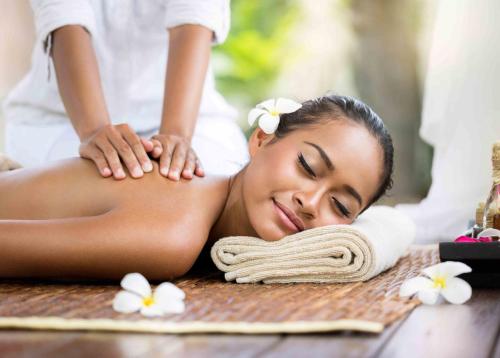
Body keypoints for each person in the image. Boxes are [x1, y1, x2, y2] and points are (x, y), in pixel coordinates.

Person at [0, 94, 394, 282]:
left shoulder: (202, 214)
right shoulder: (173, 237)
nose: (309, 202)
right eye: (307, 166)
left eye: (340, 207)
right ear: (260, 140)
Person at [2, 0, 249, 181]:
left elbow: (192, 21)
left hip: (193, 121)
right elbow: (65, 18)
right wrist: (94, 131)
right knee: (89, 191)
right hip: (61, 120)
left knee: (203, 188)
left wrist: (177, 137)